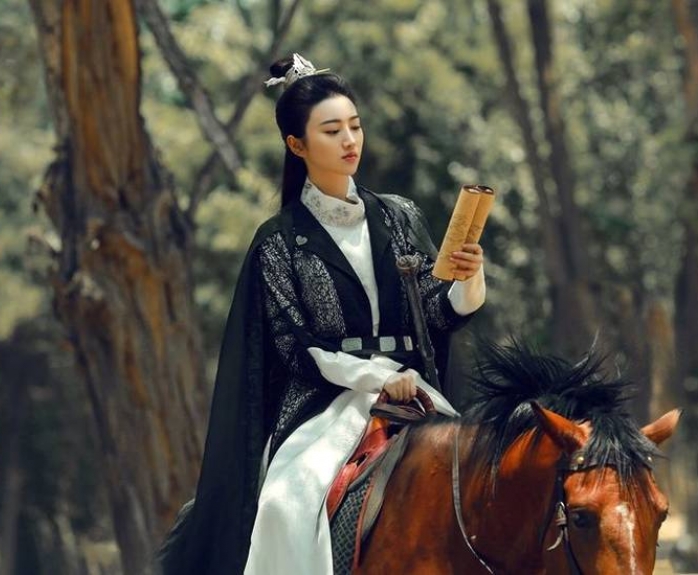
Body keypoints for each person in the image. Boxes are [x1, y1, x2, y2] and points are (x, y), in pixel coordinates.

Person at [155, 53, 487, 575]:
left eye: (355, 126)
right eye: (332, 131)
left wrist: (469, 276)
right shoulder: (279, 242)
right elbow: (298, 348)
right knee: (283, 506)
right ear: (297, 145)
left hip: (415, 392)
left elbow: (434, 311)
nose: (350, 140)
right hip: (323, 403)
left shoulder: (399, 216)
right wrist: (378, 377)